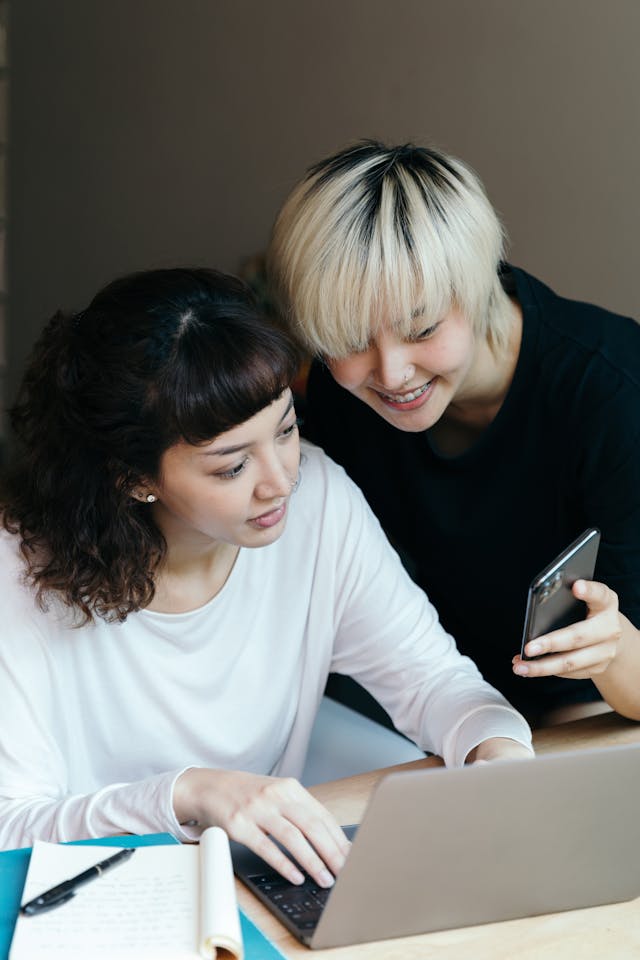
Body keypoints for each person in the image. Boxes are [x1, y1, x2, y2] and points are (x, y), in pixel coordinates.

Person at [0, 267, 532, 882]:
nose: (281, 480)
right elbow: (10, 826)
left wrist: (498, 752)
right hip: (92, 895)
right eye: (231, 467)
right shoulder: (19, 570)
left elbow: (434, 681)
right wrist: (188, 794)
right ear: (134, 477)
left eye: (285, 431)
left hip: (255, 878)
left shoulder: (320, 501)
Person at [267, 140, 640, 728]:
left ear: (477, 285)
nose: (391, 374)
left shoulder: (616, 397)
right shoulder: (343, 399)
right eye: (350, 341)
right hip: (428, 698)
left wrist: (608, 650)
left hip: (586, 707)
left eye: (422, 329)